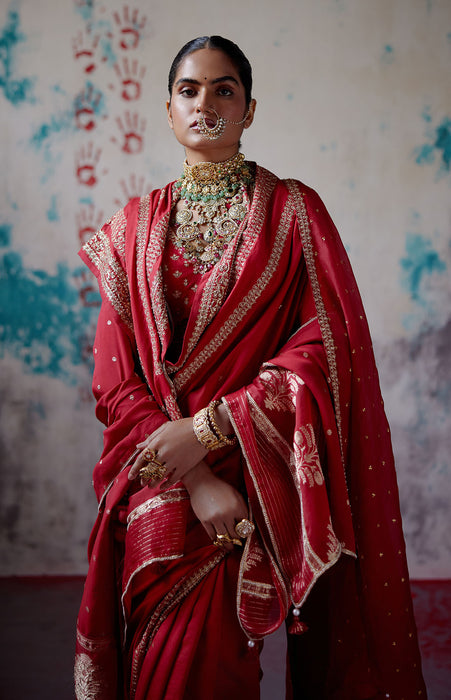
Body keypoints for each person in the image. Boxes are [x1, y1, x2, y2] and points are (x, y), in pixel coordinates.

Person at [74, 36, 427, 699]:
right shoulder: (130, 228)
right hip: (159, 477)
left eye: (223, 89)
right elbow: (115, 383)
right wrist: (198, 477)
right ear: (168, 109)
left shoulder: (293, 211)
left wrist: (210, 429)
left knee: (214, 669)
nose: (205, 103)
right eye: (189, 90)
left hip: (253, 473)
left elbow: (325, 350)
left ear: (249, 108)